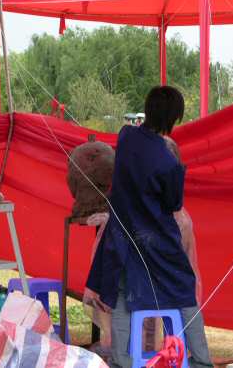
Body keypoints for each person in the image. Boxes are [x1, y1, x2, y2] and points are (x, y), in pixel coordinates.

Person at [86, 86, 212, 368]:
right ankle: (202, 361)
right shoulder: (169, 164)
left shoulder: (126, 136)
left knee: (121, 295)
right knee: (184, 288)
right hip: (156, 238)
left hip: (121, 234)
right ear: (174, 118)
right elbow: (172, 204)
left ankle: (121, 361)